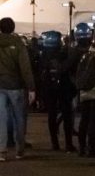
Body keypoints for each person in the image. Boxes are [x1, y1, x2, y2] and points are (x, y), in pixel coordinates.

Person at [0, 17, 35, 161]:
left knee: (1, 119)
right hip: (16, 85)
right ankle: (19, 149)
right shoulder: (18, 44)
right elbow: (25, 68)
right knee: (19, 118)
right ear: (13, 28)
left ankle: (1, 150)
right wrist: (31, 87)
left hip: (0, 85)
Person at [39, 31, 76, 152]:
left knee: (52, 115)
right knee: (67, 115)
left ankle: (54, 143)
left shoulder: (43, 56)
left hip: (48, 87)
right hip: (64, 87)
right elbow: (68, 66)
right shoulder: (63, 55)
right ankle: (68, 144)